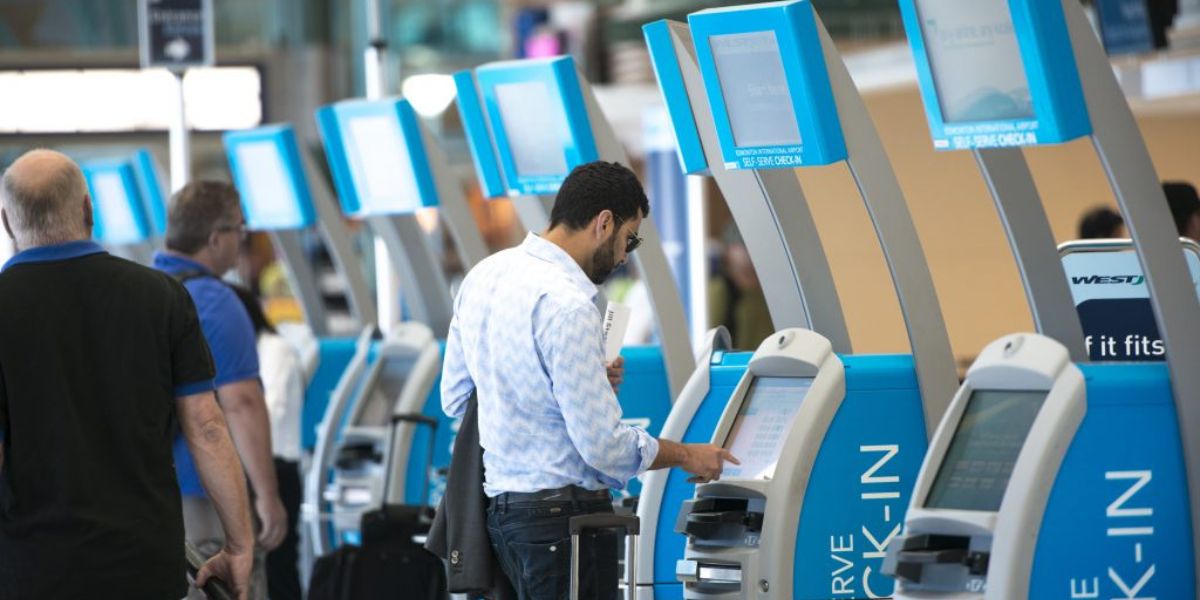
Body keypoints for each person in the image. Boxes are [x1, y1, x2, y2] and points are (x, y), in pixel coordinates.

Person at [441, 161, 737, 600]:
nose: (624, 256)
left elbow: (456, 398)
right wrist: (687, 455)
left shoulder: (483, 277)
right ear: (604, 223)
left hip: (502, 519)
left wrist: (571, 384)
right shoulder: (568, 305)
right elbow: (604, 448)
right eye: (629, 238)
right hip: (566, 526)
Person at [0, 149, 254, 599]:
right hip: (144, 568)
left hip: (32, 571)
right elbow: (207, 427)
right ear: (87, 209)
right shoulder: (161, 296)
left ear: (5, 222)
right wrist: (238, 545)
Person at [153, 181, 287, 600]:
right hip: (210, 495)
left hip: (158, 491)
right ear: (215, 238)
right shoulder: (215, 300)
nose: (241, 242)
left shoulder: (146, 290)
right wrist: (267, 496)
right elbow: (241, 403)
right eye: (239, 231)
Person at [229, 284, 305, 600]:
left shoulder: (274, 349)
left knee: (279, 563)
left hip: (276, 466)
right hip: (251, 463)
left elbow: (268, 409)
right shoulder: (243, 352)